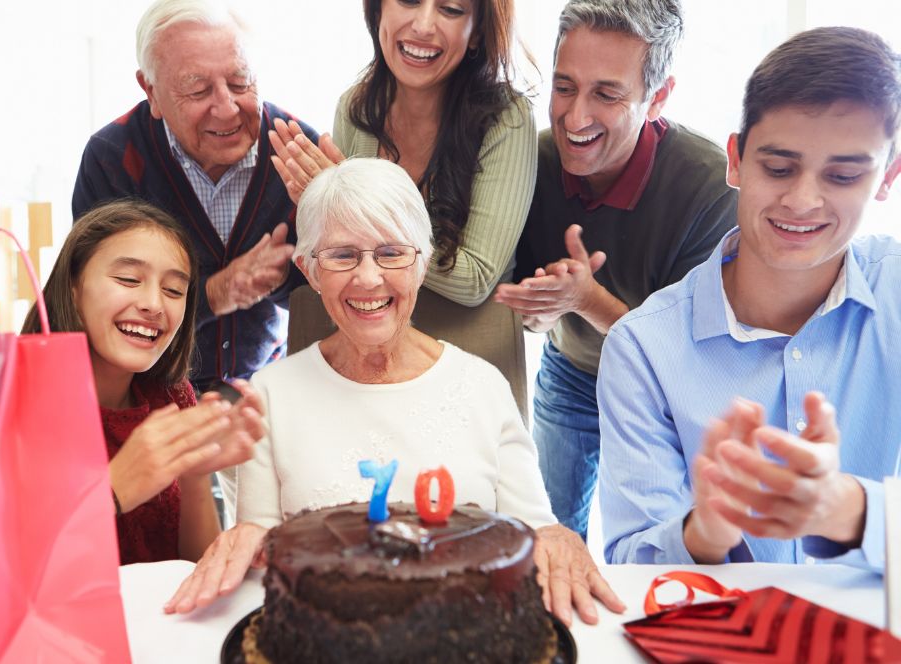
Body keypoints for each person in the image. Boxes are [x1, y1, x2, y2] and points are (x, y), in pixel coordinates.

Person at [163, 158, 625, 626]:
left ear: (422, 265)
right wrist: (243, 535)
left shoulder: (484, 385)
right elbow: (258, 544)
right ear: (310, 269)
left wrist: (559, 536)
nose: (368, 278)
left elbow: (536, 531)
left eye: (391, 253)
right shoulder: (270, 394)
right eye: (342, 255)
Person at [598, 26, 901, 570]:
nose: (803, 200)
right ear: (735, 160)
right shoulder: (643, 348)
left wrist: (851, 511)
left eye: (843, 175)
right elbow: (630, 564)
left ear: (887, 176)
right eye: (778, 168)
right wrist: (705, 532)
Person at [493, 0, 737, 540]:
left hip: (670, 395)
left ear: (658, 97)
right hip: (573, 373)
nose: (575, 118)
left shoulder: (711, 187)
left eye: (606, 94)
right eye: (564, 87)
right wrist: (542, 309)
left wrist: (585, 300)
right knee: (550, 534)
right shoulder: (528, 163)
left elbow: (680, 354)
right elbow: (527, 313)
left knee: (661, 545)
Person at [268, 0, 537, 411]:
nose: (424, 25)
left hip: (466, 360)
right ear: (378, 10)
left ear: (478, 31)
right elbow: (347, 258)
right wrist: (326, 209)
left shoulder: (507, 118)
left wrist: (363, 211)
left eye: (450, 9)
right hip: (367, 356)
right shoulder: (356, 109)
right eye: (409, 1)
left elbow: (474, 279)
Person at [72, 0, 319, 391]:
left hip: (268, 387)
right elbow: (96, 303)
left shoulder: (301, 150)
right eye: (197, 89)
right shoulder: (114, 157)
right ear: (150, 90)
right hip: (148, 391)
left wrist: (328, 235)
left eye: (241, 82)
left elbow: (332, 296)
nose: (226, 109)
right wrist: (214, 292)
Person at [21, 200, 265, 564]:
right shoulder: (13, 403)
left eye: (173, 291)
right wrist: (112, 490)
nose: (153, 304)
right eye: (128, 280)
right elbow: (1, 575)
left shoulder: (171, 395)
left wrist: (196, 472)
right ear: (73, 287)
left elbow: (196, 566)